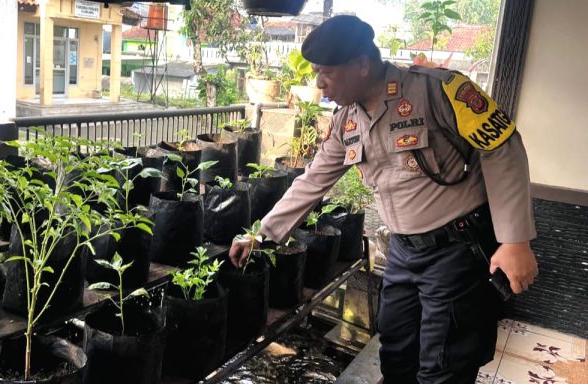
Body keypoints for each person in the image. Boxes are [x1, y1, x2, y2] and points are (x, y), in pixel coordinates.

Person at [229, 15, 539, 383]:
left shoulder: (438, 91)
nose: (319, 84)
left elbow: (502, 148)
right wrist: (261, 234)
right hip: (403, 253)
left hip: (456, 249)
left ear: (361, 64)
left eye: (326, 73)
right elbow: (313, 180)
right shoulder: (347, 121)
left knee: (444, 365)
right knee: (395, 352)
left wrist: (515, 241)